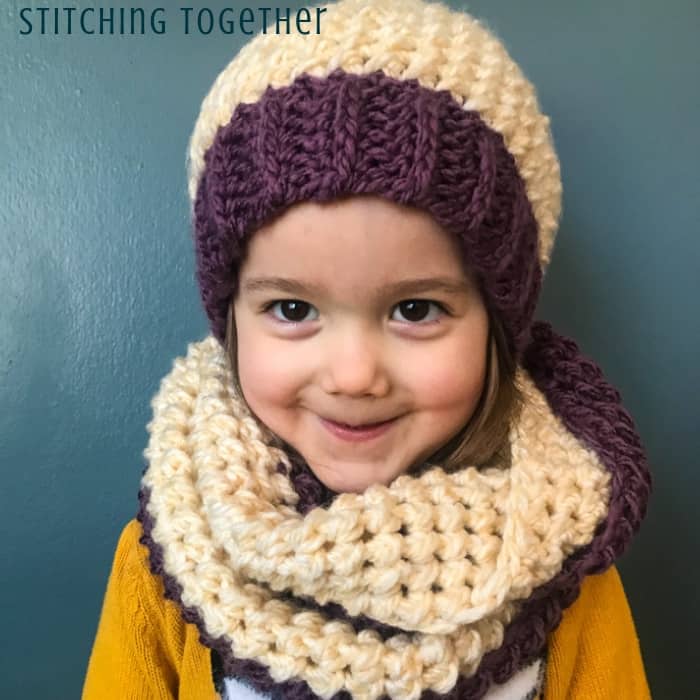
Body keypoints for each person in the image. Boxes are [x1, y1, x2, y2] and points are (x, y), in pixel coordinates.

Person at [82, 0, 653, 698]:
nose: (353, 375)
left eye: (416, 309)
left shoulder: (562, 563)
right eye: (292, 309)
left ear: (500, 322)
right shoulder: (167, 555)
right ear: (230, 318)